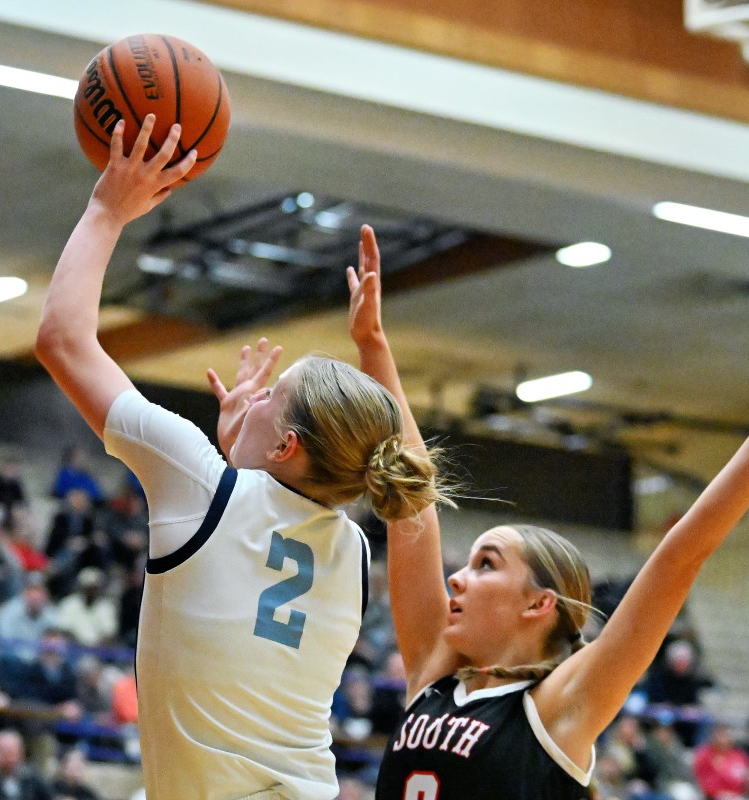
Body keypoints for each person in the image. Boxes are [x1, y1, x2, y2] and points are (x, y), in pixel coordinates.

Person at [338, 224, 749, 800]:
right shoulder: (434, 672)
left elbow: (678, 559)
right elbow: (412, 497)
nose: (456, 577)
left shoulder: (563, 703)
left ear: (539, 603)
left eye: (486, 564)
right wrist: (374, 346)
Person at [34, 117, 446, 799]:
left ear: (287, 447)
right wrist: (244, 457)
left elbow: (62, 341)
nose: (249, 396)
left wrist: (107, 209)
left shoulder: (198, 481)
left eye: (269, 398)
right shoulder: (353, 550)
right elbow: (394, 506)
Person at [0, 730, 50, 800]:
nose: (9, 758)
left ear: (22, 754)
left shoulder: (31, 776)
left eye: (12, 753)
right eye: (4, 753)